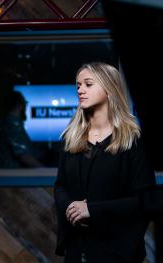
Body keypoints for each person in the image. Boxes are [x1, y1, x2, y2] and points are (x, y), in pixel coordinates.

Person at [54, 62, 156, 263]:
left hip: (116, 253)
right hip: (76, 251)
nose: (80, 90)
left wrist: (92, 210)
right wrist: (71, 208)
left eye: (88, 84)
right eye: (78, 85)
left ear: (109, 89)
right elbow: (60, 186)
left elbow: (144, 200)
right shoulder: (71, 138)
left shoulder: (133, 140)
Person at [0, 91, 42, 168]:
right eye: (25, 103)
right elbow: (23, 155)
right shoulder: (12, 123)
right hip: (14, 175)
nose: (25, 106)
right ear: (19, 105)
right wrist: (44, 170)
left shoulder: (11, 123)